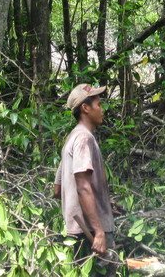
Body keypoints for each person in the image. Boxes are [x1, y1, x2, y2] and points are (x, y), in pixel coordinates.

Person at [54, 84, 117, 273]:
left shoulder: (71, 138)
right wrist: (99, 231)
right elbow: (82, 187)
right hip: (90, 233)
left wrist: (102, 203)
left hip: (76, 231)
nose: (102, 109)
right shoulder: (84, 139)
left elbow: (57, 189)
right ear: (85, 108)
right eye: (98, 104)